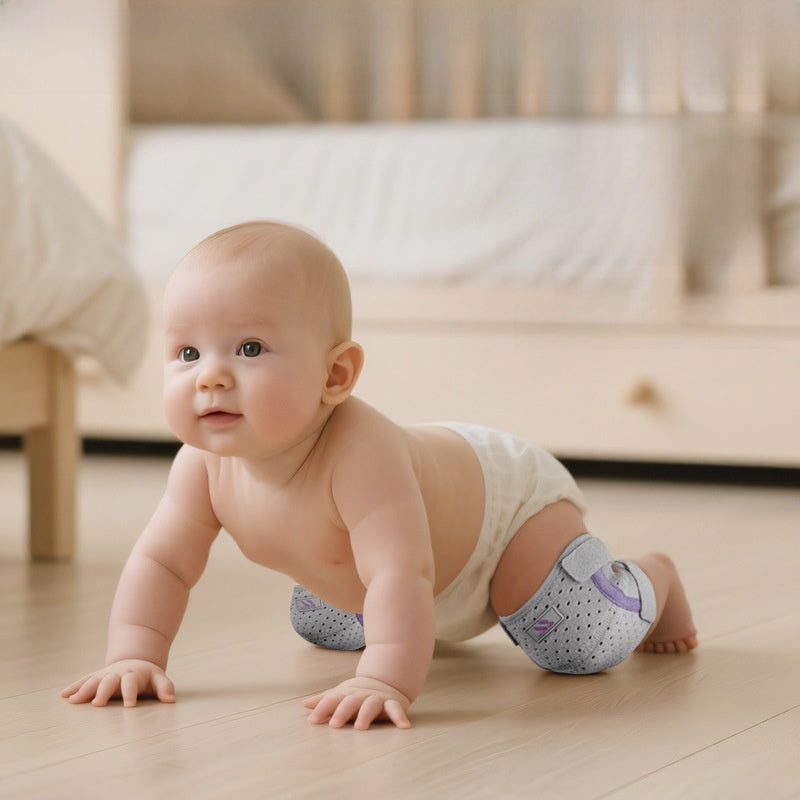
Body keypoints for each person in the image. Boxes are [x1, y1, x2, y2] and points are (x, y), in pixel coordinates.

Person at [61, 221, 698, 730]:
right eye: (188, 353)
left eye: (249, 349)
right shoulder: (200, 465)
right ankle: (394, 624)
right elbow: (163, 564)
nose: (211, 375)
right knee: (323, 623)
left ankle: (654, 578)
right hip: (381, 572)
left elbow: (402, 573)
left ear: (335, 376)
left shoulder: (361, 453)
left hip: (500, 522)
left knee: (576, 646)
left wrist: (384, 678)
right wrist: (135, 656)